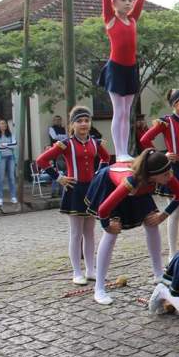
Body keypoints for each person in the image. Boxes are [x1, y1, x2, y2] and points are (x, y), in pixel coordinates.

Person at [86, 150, 179, 304]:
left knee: (152, 222)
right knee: (112, 233)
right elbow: (103, 210)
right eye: (166, 175)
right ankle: (99, 288)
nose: (170, 176)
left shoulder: (163, 172)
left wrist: (162, 216)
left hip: (139, 190)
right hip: (111, 186)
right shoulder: (130, 181)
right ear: (154, 175)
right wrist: (107, 226)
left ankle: (158, 274)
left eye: (170, 172)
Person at [36, 106, 110, 284]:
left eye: (86, 120)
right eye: (79, 121)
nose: (84, 124)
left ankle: (91, 270)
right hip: (74, 190)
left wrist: (99, 176)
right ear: (73, 124)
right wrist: (59, 177)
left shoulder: (95, 143)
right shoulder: (66, 144)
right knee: (76, 233)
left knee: (90, 232)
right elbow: (41, 160)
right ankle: (77, 272)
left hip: (91, 190)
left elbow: (106, 159)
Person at [139, 89, 179, 260]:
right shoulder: (165, 122)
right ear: (175, 104)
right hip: (173, 170)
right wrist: (161, 155)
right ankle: (173, 253)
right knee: (174, 211)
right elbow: (145, 140)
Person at [99, 0, 146, 161]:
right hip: (116, 68)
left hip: (131, 68)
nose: (128, 3)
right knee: (119, 111)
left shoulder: (133, 19)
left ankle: (125, 151)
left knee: (128, 112)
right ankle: (119, 153)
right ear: (114, 3)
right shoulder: (111, 19)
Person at [0, 119, 18, 207]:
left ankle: (13, 196)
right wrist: (8, 146)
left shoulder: (11, 134)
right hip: (0, 158)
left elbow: (15, 144)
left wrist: (5, 145)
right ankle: (0, 198)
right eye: (2, 123)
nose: (4, 125)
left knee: (12, 177)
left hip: (11, 157)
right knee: (0, 178)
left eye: (5, 123)